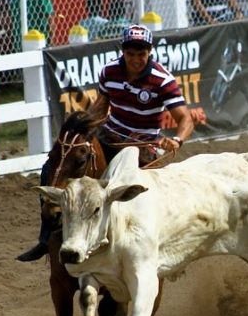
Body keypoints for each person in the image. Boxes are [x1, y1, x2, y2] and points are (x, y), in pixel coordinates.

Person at [16, 24, 195, 262]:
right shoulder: (110, 71)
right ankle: (46, 238)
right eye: (131, 54)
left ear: (150, 52)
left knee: (136, 195)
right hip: (108, 136)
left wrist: (176, 140)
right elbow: (101, 105)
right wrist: (86, 127)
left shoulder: (162, 80)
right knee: (53, 167)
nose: (136, 60)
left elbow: (186, 119)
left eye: (141, 54)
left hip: (142, 147)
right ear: (123, 51)